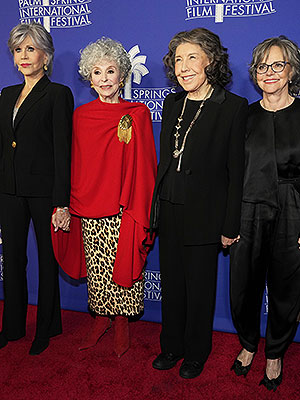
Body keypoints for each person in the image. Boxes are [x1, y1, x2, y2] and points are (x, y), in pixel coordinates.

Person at [150, 28, 248, 379]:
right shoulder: (172, 102)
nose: (184, 66)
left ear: (211, 61)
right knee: (173, 284)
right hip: (170, 208)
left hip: (206, 215)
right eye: (178, 59)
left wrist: (230, 225)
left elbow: (236, 173)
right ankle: (171, 346)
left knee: (199, 288)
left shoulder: (233, 107)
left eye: (193, 57)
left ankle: (196, 352)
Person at [51, 37, 157, 357]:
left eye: (111, 71)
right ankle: (100, 320)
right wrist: (68, 204)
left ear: (122, 75)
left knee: (123, 264)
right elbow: (75, 162)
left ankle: (122, 322)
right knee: (98, 270)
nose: (105, 79)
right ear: (89, 77)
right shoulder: (80, 116)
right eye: (97, 72)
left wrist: (135, 203)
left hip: (125, 205)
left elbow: (146, 165)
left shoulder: (138, 113)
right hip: (89, 204)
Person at [230, 36, 300, 392]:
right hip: (247, 208)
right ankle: (247, 342)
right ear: (254, 73)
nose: (269, 72)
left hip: (293, 210)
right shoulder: (243, 115)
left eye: (278, 65)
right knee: (243, 284)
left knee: (287, 286)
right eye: (262, 66)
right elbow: (229, 170)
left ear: (291, 70)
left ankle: (275, 351)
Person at [0, 23, 73, 355]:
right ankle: (12, 327)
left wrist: (61, 202)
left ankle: (46, 327)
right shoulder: (6, 95)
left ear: (46, 55)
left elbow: (62, 151)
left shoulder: (57, 94)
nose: (24, 56)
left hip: (44, 192)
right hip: (9, 191)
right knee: (13, 260)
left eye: (31, 49)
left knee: (47, 260)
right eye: (18, 50)